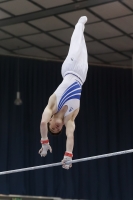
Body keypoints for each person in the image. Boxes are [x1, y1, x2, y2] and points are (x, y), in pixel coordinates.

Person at [39, 16, 88, 170]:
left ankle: (79, 24)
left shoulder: (51, 106)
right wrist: (68, 155)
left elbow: (42, 123)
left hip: (70, 68)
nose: (57, 128)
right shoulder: (71, 118)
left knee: (76, 46)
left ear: (51, 120)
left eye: (52, 127)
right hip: (82, 76)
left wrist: (45, 142)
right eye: (57, 130)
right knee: (83, 47)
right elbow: (70, 136)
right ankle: (81, 29)